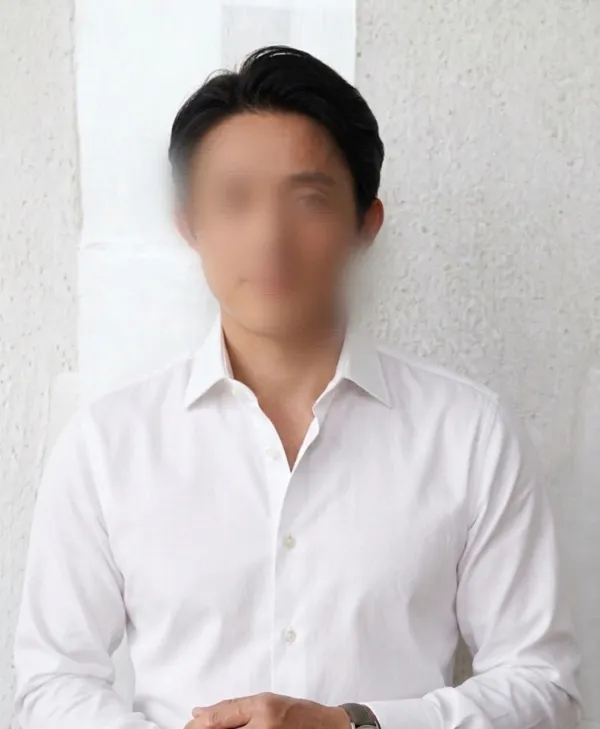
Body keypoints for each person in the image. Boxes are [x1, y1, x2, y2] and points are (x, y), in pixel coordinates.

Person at [14, 45, 580, 729]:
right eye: (235, 199)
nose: (270, 237)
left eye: (308, 200)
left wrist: (356, 725)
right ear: (190, 225)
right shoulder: (107, 444)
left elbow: (544, 685)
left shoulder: (470, 433)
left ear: (365, 224)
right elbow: (52, 682)